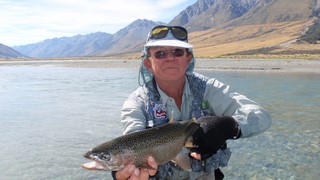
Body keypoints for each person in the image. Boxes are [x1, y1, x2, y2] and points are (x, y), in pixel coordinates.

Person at [113, 25, 272, 179]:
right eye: (160, 54)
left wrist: (230, 126)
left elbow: (260, 116)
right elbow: (130, 141)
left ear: (188, 58)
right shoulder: (137, 102)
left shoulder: (209, 89)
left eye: (178, 52)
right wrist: (120, 171)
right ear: (148, 64)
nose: (170, 58)